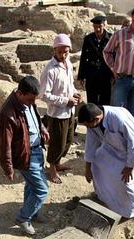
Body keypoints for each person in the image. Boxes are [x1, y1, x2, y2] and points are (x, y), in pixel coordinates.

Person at [0, 76, 49, 236]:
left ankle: (33, 210)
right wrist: (8, 168)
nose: (33, 103)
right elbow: (3, 144)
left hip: (36, 149)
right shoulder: (8, 113)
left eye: (34, 99)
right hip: (25, 154)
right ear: (19, 93)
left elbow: (34, 116)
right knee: (41, 189)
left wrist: (42, 129)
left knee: (32, 185)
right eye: (30, 99)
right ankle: (23, 218)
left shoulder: (28, 102)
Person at [78, 103, 134, 218]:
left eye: (88, 125)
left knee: (128, 182)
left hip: (132, 151)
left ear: (97, 118)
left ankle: (128, 210)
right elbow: (91, 144)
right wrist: (88, 167)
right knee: (98, 164)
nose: (88, 128)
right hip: (111, 147)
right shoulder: (93, 123)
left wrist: (130, 166)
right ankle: (106, 198)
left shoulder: (119, 118)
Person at [40, 33, 81, 184]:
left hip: (69, 111)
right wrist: (65, 101)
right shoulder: (50, 70)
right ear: (54, 51)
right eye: (60, 52)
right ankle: (52, 169)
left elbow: (70, 85)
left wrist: (75, 94)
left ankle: (57, 163)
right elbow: (44, 95)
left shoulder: (68, 64)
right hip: (57, 114)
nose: (63, 55)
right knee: (57, 143)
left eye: (66, 52)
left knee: (68, 140)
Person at [78, 15, 113, 106]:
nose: (97, 29)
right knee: (91, 100)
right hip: (91, 74)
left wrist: (114, 74)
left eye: (99, 27)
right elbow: (83, 57)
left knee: (105, 101)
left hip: (105, 74)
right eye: (95, 27)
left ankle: (103, 119)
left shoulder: (110, 38)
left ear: (104, 25)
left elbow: (115, 57)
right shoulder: (88, 39)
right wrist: (81, 76)